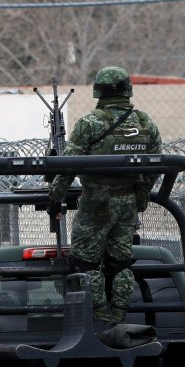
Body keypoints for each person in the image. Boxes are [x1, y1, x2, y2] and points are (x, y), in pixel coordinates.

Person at [48, 65, 162, 324]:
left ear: (98, 91)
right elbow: (156, 164)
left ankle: (99, 314)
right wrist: (141, 194)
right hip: (128, 203)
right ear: (128, 90)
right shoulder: (145, 123)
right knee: (121, 261)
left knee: (85, 262)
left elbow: (67, 165)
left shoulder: (91, 123)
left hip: (95, 203)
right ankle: (120, 313)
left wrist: (54, 196)